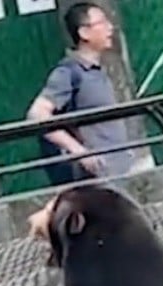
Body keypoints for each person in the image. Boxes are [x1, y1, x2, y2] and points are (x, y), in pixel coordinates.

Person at [27, 2, 135, 185]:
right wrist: (79, 151)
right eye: (102, 22)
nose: (110, 27)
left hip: (117, 174)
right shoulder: (69, 72)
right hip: (96, 178)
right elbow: (37, 115)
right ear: (84, 33)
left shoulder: (97, 70)